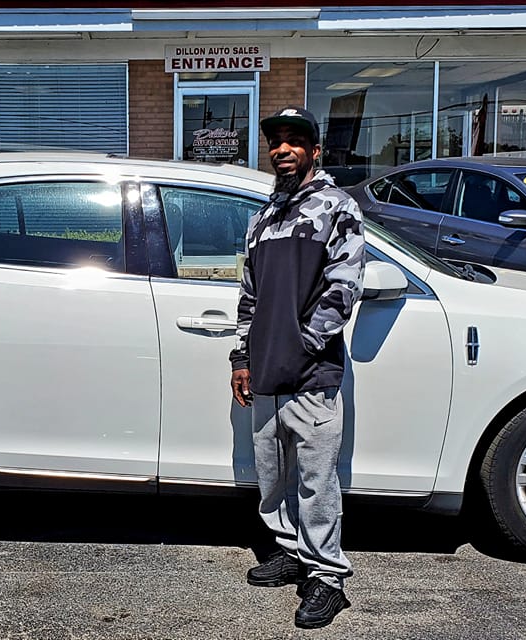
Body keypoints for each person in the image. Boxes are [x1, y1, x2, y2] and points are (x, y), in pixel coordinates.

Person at [229, 106, 365, 629]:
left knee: (316, 480)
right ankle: (290, 551)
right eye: (276, 141)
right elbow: (249, 296)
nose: (282, 149)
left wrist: (302, 344)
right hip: (265, 372)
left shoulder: (337, 207)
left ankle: (327, 576)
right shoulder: (263, 217)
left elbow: (344, 287)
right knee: (272, 476)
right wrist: (243, 357)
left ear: (314, 150)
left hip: (312, 373)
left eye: (294, 141)